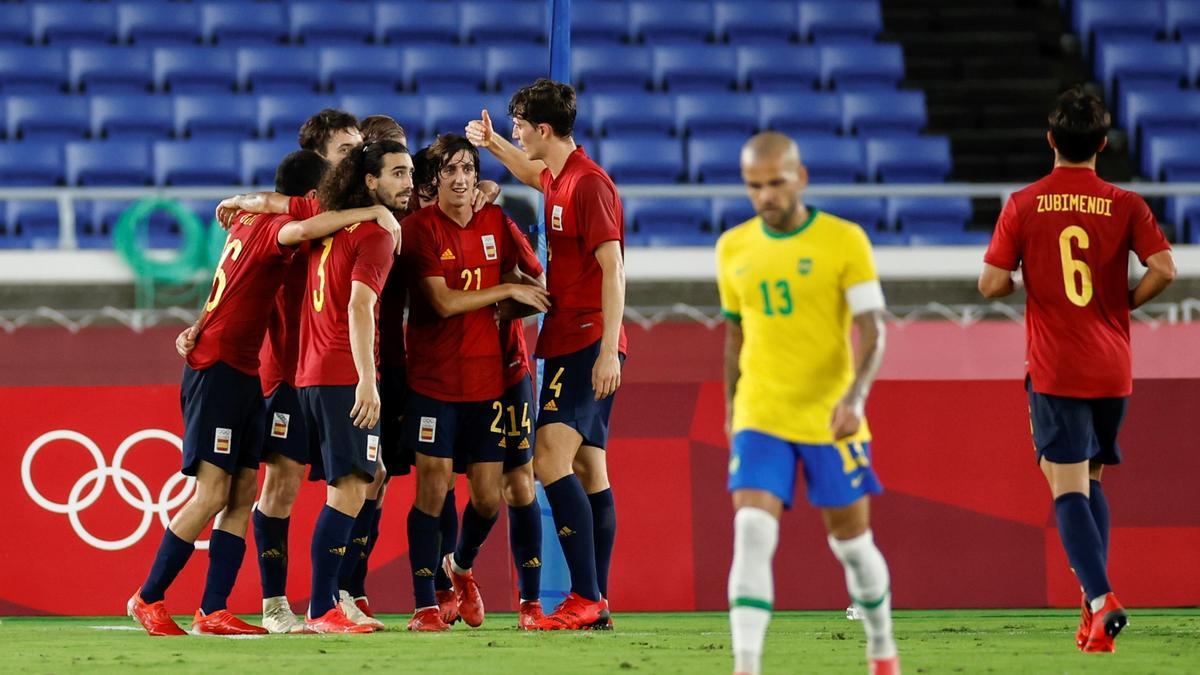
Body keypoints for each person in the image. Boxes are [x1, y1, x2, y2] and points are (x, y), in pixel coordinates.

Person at [128, 150, 400, 637]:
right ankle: (148, 597)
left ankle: (214, 609)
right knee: (211, 493)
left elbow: (234, 285)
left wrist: (197, 324)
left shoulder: (249, 218)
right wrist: (372, 210)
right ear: (309, 197)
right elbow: (297, 227)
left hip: (242, 368)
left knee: (243, 492)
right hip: (218, 371)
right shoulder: (275, 227)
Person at [979, 87, 1176, 654]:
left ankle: (1100, 599)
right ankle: (1092, 620)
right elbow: (1164, 268)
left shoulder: (1024, 203)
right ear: (1103, 145)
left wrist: (1016, 280)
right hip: (1113, 366)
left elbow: (991, 283)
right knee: (1090, 480)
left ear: (1050, 141)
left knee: (1065, 487)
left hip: (1056, 366)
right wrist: (1125, 302)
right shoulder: (1126, 203)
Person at [717, 131, 898, 675]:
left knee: (852, 546)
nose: (766, 195)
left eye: (775, 182)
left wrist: (856, 398)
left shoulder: (845, 241)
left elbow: (874, 330)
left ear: (800, 177)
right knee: (751, 531)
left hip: (829, 417)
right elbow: (734, 336)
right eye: (754, 186)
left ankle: (882, 647)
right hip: (761, 414)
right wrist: (731, 409)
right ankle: (746, 667)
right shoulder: (733, 248)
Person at [467, 79, 626, 631]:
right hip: (568, 338)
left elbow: (615, 269)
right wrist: (491, 144)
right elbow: (529, 171)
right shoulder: (559, 177)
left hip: (587, 341)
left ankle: (584, 597)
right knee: (588, 469)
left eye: (517, 127)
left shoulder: (589, 186)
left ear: (543, 129)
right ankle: (597, 601)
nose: (515, 134)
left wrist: (609, 351)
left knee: (549, 461)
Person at [399, 134, 551, 632]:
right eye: (450, 171)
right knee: (433, 486)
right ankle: (425, 603)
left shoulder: (497, 221)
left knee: (491, 497)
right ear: (434, 180)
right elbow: (440, 302)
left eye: (469, 169)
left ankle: (460, 567)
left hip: (492, 380)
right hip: (433, 380)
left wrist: (516, 294)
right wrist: (503, 290)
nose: (461, 179)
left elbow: (538, 284)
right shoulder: (420, 230)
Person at [294, 139, 411, 633]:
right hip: (345, 374)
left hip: (313, 374)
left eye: (409, 173)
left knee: (373, 473)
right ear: (370, 181)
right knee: (347, 491)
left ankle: (338, 597)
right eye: (398, 174)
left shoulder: (334, 230)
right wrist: (368, 380)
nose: (407, 183)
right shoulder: (376, 236)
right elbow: (360, 307)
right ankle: (324, 607)